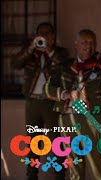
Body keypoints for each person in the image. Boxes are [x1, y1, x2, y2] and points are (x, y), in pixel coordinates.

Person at [43, 29, 101, 180]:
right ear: (76, 45)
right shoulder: (64, 67)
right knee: (74, 165)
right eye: (84, 42)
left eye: (92, 43)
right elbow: (47, 89)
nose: (89, 46)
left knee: (95, 165)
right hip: (68, 119)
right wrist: (65, 93)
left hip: (92, 118)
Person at [11, 22, 69, 180]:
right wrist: (31, 47)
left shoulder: (61, 53)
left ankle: (59, 176)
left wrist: (49, 50)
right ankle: (31, 176)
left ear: (54, 35)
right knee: (33, 143)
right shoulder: (30, 52)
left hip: (52, 103)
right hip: (33, 103)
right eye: (41, 33)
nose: (44, 36)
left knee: (57, 142)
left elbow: (65, 68)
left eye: (48, 33)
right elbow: (15, 63)